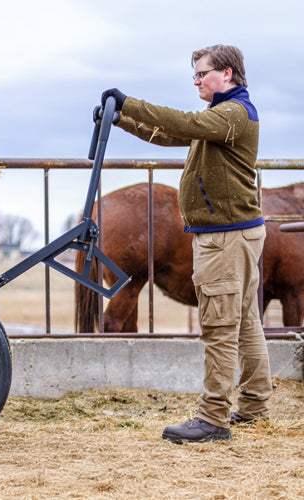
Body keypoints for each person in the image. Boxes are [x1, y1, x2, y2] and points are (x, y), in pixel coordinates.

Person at [98, 44, 272, 443]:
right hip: (233, 235)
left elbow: (182, 122)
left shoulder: (232, 114)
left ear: (226, 74)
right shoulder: (220, 118)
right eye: (193, 75)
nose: (196, 81)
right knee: (244, 322)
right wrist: (121, 119)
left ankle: (213, 418)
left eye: (201, 73)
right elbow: (170, 134)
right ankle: (256, 407)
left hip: (224, 238)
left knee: (219, 326)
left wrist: (130, 102)